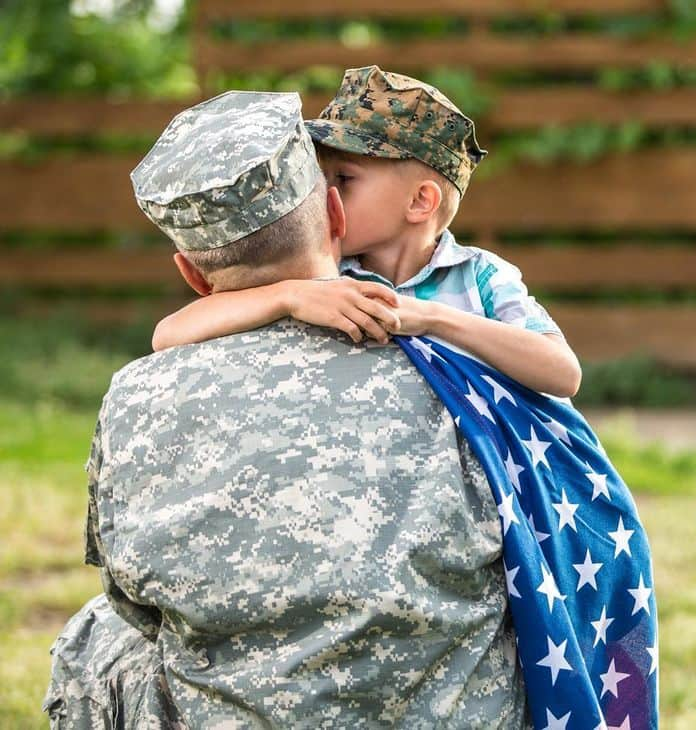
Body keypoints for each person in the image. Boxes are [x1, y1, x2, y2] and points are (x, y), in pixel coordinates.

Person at [43, 90, 530, 728]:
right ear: (335, 213)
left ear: (191, 274)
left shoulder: (136, 399)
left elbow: (133, 604)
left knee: (97, 639)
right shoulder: (459, 371)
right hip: (447, 710)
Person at [151, 66, 582, 399]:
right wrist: (288, 296)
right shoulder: (327, 276)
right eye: (321, 176)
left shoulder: (479, 276)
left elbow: (563, 374)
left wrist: (431, 319)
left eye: (345, 178)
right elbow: (168, 334)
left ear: (420, 203)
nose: (325, 193)